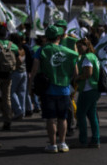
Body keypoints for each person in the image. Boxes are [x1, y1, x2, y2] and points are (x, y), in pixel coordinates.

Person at [30, 25, 79, 153]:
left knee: (51, 119)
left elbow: (34, 69)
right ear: (59, 37)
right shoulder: (69, 53)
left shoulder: (41, 50)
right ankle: (62, 143)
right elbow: (76, 73)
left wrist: (31, 83)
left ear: (46, 37)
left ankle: (52, 145)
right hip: (64, 90)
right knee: (63, 118)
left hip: (47, 90)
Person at [0, 25, 18, 130]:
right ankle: (7, 120)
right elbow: (18, 58)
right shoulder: (13, 45)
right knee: (7, 98)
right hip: (8, 75)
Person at [73, 38, 101, 147]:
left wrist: (77, 78)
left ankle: (83, 140)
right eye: (77, 47)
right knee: (92, 114)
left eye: (80, 46)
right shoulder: (93, 56)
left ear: (86, 46)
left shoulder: (87, 57)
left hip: (87, 89)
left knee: (80, 114)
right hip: (94, 88)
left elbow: (88, 73)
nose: (78, 49)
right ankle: (95, 139)